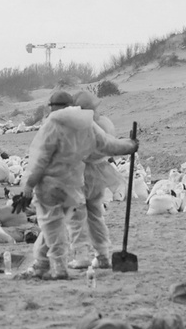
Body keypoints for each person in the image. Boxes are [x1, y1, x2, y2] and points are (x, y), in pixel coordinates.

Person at [15, 91, 135, 279]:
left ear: (52, 107)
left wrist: (28, 186)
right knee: (63, 224)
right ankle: (47, 263)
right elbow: (108, 145)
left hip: (51, 185)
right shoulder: (87, 124)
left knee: (52, 226)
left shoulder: (52, 125)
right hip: (74, 186)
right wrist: (130, 145)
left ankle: (57, 267)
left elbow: (40, 159)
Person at [77, 92, 138, 268]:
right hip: (99, 173)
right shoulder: (100, 126)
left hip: (79, 175)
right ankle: (102, 254)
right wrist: (130, 145)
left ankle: (83, 256)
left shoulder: (84, 128)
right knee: (95, 214)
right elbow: (111, 145)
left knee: (78, 217)